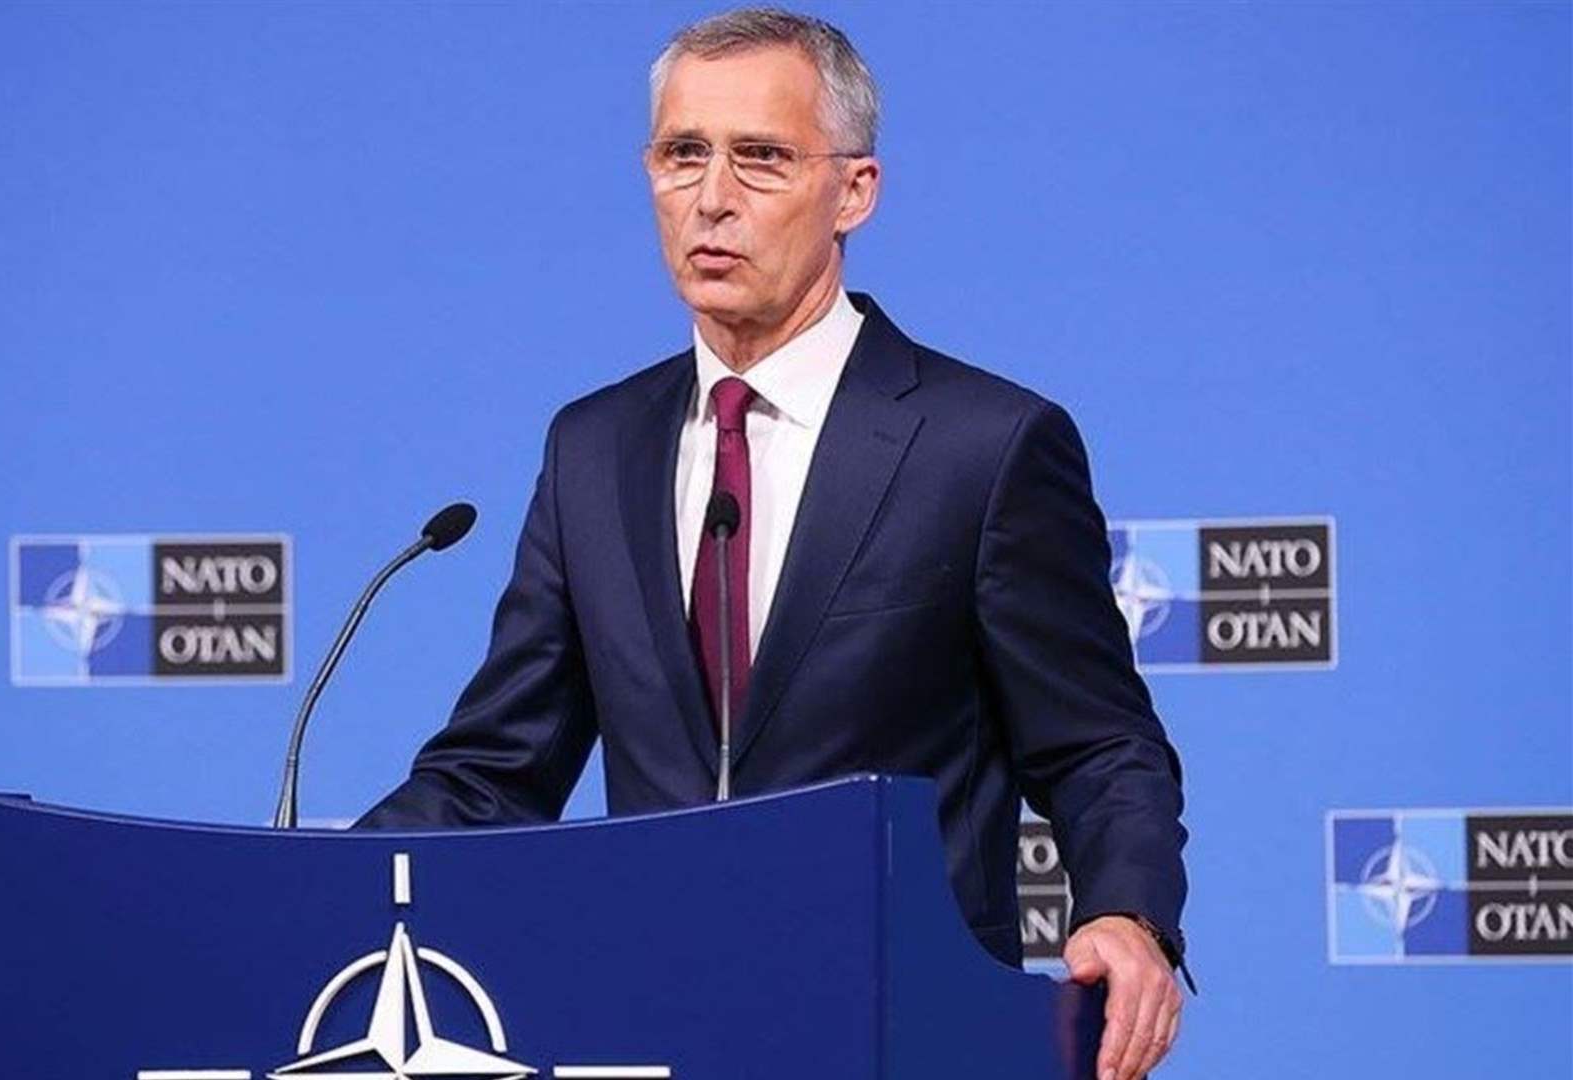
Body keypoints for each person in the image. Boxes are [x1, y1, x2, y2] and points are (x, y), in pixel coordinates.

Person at [359, 9, 1189, 1079]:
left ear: (856, 191)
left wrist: (1128, 913)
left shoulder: (983, 446)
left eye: (761, 157)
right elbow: (494, 772)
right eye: (682, 154)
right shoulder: (594, 448)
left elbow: (1097, 745)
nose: (712, 197)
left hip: (903, 1030)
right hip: (649, 1032)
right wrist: (314, 895)